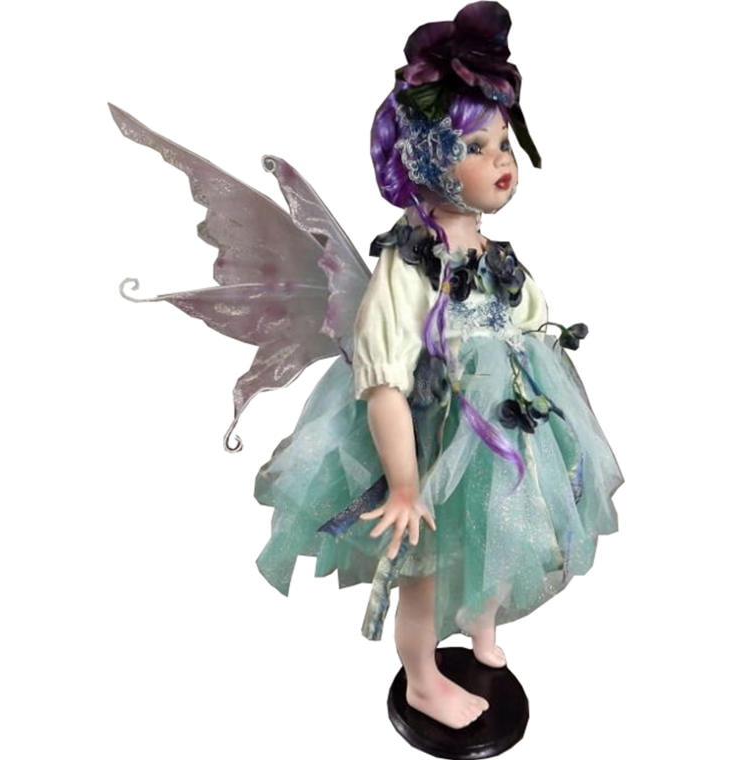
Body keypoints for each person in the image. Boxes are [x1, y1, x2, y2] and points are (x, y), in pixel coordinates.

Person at [254, 1, 623, 730]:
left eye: (503, 142)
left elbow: (528, 321)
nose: (502, 160)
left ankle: (482, 628)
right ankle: (423, 681)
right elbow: (384, 379)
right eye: (477, 147)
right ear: (425, 159)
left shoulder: (490, 252)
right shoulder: (409, 264)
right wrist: (403, 483)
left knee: (498, 530)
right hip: (431, 439)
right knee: (423, 566)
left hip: (506, 431)